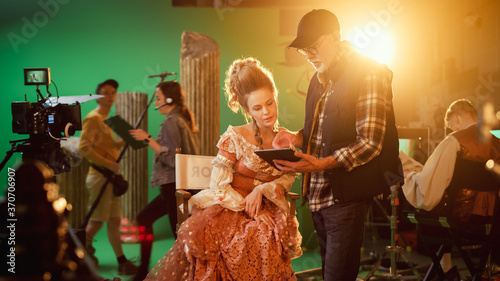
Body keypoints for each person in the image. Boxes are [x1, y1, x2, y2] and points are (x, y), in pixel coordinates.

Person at [142, 57, 303, 281]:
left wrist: (262, 190)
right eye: (257, 107)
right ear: (247, 110)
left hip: (268, 206)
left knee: (267, 232)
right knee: (252, 236)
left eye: (270, 103)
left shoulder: (287, 139)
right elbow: (219, 185)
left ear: (276, 99)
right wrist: (247, 206)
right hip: (231, 206)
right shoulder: (234, 136)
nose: (266, 112)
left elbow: (287, 178)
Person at [272, 9, 403, 281]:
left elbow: (370, 142)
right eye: (303, 50)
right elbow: (320, 131)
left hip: (345, 197)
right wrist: (296, 137)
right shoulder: (317, 80)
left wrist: (322, 163)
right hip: (318, 195)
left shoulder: (369, 72)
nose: (309, 54)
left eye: (314, 46)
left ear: (336, 37)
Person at [402, 99, 500, 280]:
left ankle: (445, 270)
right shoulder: (497, 143)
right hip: (491, 220)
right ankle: (448, 268)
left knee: (425, 207)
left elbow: (430, 187)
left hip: (459, 218)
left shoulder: (454, 141)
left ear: (455, 118)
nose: (453, 131)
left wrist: (409, 176)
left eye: (451, 127)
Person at [128, 81, 201, 279]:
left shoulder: (171, 121)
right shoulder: (182, 119)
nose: (156, 103)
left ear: (168, 100)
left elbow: (172, 159)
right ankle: (143, 270)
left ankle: (193, 275)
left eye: (158, 99)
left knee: (181, 237)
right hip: (177, 186)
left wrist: (149, 139)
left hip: (174, 187)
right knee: (145, 219)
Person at [78, 79, 139, 275]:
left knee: (114, 221)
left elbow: (104, 147)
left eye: (113, 92)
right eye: (105, 92)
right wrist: (108, 164)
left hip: (111, 178)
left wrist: (122, 143)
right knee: (96, 222)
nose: (110, 95)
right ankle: (78, 255)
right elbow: (84, 148)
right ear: (98, 95)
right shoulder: (93, 118)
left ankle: (122, 262)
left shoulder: (106, 119)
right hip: (100, 177)